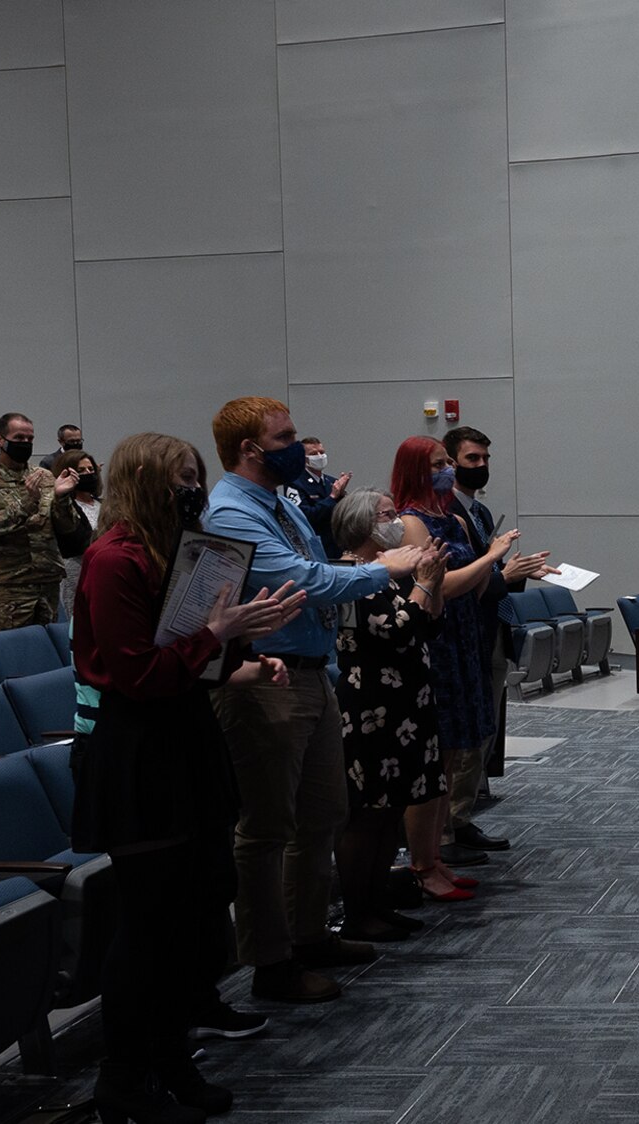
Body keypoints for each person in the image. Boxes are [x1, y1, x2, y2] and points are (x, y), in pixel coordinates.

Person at [68, 431, 305, 1122]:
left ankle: (171, 1058)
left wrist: (245, 651)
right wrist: (218, 629)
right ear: (144, 481)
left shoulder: (181, 553)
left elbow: (189, 666)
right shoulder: (113, 559)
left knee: (199, 912)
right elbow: (139, 674)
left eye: (195, 475)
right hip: (138, 752)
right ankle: (122, 1080)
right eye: (180, 477)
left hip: (184, 739)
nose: (192, 487)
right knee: (150, 926)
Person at [202, 396, 424, 1003]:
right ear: (251, 450)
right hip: (265, 679)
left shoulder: (278, 503)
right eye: (288, 437)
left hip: (311, 672)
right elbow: (303, 579)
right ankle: (272, 963)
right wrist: (388, 569)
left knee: (324, 813)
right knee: (267, 828)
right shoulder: (229, 511)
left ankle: (308, 936)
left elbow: (313, 566)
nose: (301, 447)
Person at [391, 436, 518, 899]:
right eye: (439, 464)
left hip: (466, 636)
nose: (447, 471)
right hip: (437, 641)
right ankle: (425, 861)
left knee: (453, 755)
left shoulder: (453, 518)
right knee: (434, 755)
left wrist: (494, 566)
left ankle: (438, 857)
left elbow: (478, 585)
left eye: (448, 463)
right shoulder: (411, 522)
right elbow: (440, 586)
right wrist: (492, 557)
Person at [327, 489, 449, 940]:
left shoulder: (393, 569)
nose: (396, 521)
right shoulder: (351, 573)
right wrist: (421, 584)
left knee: (393, 806)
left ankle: (379, 901)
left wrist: (430, 582)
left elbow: (429, 625)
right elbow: (394, 632)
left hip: (408, 700)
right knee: (368, 812)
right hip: (371, 704)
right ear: (361, 525)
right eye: (385, 514)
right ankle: (359, 910)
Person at [441, 424, 551, 861]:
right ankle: (448, 826)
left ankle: (461, 817)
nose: (482, 466)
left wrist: (519, 575)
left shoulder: (480, 513)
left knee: (484, 731)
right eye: (472, 459)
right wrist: (506, 576)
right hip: (467, 634)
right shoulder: (445, 512)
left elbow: (492, 577)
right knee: (465, 738)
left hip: (493, 631)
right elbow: (467, 582)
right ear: (451, 462)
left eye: (486, 459)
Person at [0, 412, 84, 630]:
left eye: (30, 439)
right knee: (7, 654)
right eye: (19, 438)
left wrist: (62, 497)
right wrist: (29, 500)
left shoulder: (44, 476)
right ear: (0, 439)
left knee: (45, 653)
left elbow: (67, 527)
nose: (25, 443)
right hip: (5, 585)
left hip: (46, 581)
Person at [52, 448, 104, 618]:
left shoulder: (103, 504)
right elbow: (77, 540)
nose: (88, 473)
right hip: (77, 570)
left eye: (90, 469)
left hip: (103, 569)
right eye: (81, 470)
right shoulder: (64, 507)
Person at [286, 436, 349, 560]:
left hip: (337, 545)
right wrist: (332, 497)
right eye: (314, 453)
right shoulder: (295, 483)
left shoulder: (331, 481)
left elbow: (343, 515)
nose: (320, 456)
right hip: (315, 547)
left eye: (322, 452)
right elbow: (304, 516)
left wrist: (342, 496)